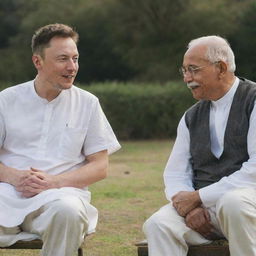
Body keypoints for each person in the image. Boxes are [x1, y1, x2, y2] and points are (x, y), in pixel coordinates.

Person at [0, 23, 121, 256]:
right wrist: (13, 177)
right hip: (6, 194)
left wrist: (53, 182)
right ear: (38, 62)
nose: (72, 67)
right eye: (63, 59)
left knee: (69, 212)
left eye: (75, 59)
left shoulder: (88, 103)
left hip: (60, 197)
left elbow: (100, 166)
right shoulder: (6, 100)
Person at [143, 35, 256, 256]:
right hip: (205, 212)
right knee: (158, 225)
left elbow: (254, 171)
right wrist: (190, 208)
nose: (187, 78)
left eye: (193, 70)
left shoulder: (253, 101)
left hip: (247, 206)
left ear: (221, 68)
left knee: (233, 204)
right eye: (184, 71)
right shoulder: (190, 117)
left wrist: (199, 197)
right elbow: (175, 173)